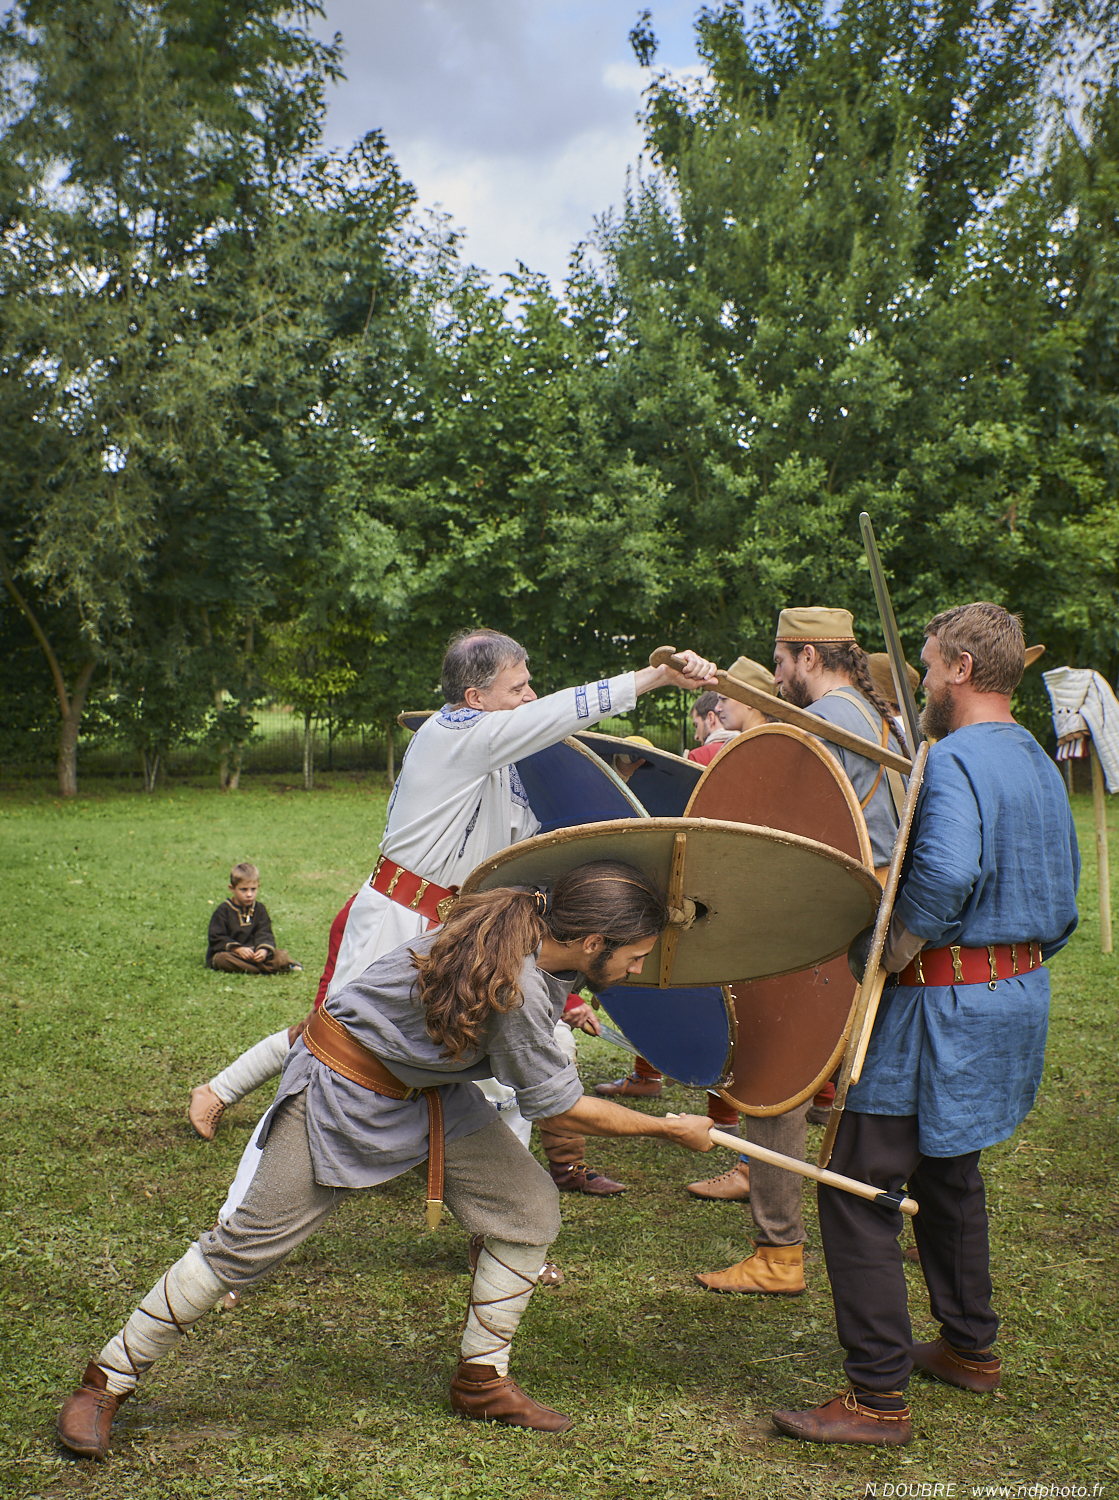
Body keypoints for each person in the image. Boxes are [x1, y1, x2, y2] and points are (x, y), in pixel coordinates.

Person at [56, 862, 716, 1457]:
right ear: (593, 941)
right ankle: (105, 1381)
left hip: (429, 1089)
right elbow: (561, 1110)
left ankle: (481, 1381)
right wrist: (669, 1129)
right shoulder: (514, 981)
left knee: (526, 1206)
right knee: (246, 1245)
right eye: (634, 957)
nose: (637, 970)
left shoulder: (525, 918)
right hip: (343, 1085)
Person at [188, 629, 717, 1199]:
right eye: (518, 687)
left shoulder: (506, 765)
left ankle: (502, 1216)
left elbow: (542, 845)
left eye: (531, 685)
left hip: (464, 931)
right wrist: (655, 677)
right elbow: (553, 716)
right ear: (474, 698)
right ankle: (239, 1203)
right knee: (331, 1056)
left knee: (497, 1074)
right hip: (396, 919)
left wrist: (611, 788)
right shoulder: (449, 735)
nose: (531, 696)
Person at [771, 602, 1079, 1447]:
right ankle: (969, 1348)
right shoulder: (1036, 757)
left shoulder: (950, 758)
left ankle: (876, 1399)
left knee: (856, 1185)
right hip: (1012, 995)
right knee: (947, 1173)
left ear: (960, 670)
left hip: (939, 1009)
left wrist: (884, 951)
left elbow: (941, 879)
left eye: (929, 663)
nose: (920, 678)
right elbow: (1060, 898)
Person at [693, 611, 902, 1293]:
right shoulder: (885, 721)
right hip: (886, 916)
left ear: (808, 655)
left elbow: (780, 830)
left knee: (776, 1074)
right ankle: (905, 1231)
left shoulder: (819, 726)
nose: (776, 677)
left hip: (829, 915)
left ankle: (778, 1254)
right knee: (877, 1085)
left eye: (780, 662)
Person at [597, 657, 779, 1107]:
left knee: (675, 978)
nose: (720, 705)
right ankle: (731, 1108)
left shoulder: (705, 759)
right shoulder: (778, 754)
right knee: (744, 997)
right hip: (751, 892)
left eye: (728, 697)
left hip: (700, 890)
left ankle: (653, 1077)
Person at [205, 863, 302, 976]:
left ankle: (258, 967)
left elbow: (264, 932)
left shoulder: (259, 909)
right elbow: (217, 937)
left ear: (258, 887)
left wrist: (263, 950)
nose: (249, 894)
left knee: (281, 955)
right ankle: (263, 969)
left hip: (254, 953)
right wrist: (237, 949)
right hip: (233, 954)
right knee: (222, 959)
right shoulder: (223, 910)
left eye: (253, 889)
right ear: (232, 888)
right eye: (243, 890)